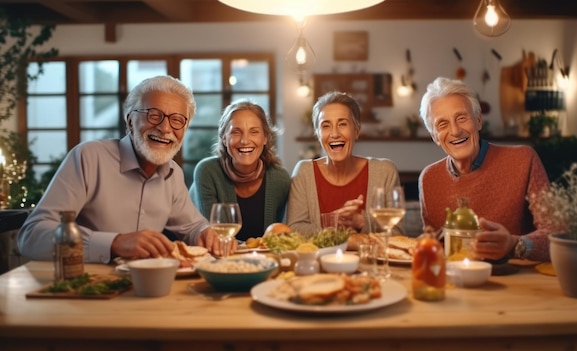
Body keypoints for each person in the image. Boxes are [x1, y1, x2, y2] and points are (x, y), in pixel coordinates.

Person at [18, 75, 232, 263]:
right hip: (86, 289)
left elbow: (192, 227)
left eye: (177, 120)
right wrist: (114, 243)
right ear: (130, 121)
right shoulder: (88, 158)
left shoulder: (173, 174)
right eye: (153, 115)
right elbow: (32, 236)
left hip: (147, 288)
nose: (165, 128)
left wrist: (206, 233)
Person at [418, 76, 552, 262]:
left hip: (518, 282)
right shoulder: (429, 178)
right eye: (443, 124)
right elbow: (435, 244)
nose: (456, 131)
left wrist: (516, 245)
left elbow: (558, 234)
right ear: (435, 137)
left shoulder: (523, 160)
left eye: (462, 118)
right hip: (457, 283)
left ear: (478, 121)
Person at [287, 91, 400, 236]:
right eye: (326, 126)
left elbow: (397, 234)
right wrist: (333, 223)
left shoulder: (384, 172)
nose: (334, 133)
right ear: (318, 134)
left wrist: (362, 221)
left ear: (356, 131)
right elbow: (295, 229)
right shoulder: (304, 172)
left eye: (342, 124)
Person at [188, 99, 290, 241]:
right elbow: (215, 237)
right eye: (236, 132)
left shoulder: (280, 179)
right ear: (224, 138)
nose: (244, 140)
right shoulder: (207, 172)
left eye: (254, 132)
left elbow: (279, 235)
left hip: (264, 260)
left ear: (265, 138)